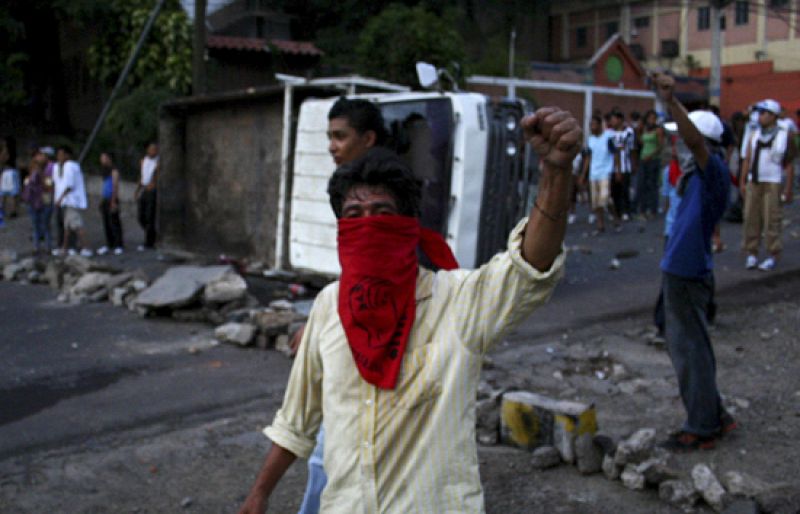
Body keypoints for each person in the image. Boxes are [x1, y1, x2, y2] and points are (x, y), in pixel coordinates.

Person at [238, 106, 579, 514]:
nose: (368, 225)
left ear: (407, 227)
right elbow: (297, 421)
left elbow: (530, 267)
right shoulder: (329, 307)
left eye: (382, 214)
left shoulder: (457, 301)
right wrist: (259, 494)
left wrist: (555, 173)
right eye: (354, 216)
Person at [286, 97, 388, 514]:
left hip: (372, 346)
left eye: (340, 136)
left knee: (330, 458)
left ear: (368, 139)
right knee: (324, 458)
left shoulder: (385, 194)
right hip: (348, 334)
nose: (331, 145)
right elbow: (352, 276)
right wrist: (318, 322)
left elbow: (381, 280)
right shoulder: (347, 190)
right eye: (329, 136)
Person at [651, 72, 735, 451]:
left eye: (679, 140)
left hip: (687, 274)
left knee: (689, 352)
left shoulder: (711, 170)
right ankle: (715, 415)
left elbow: (695, 141)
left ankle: (702, 426)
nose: (676, 146)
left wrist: (671, 101)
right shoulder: (694, 178)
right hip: (682, 271)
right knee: (692, 346)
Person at [739, 99, 796, 271]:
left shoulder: (784, 135)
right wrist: (743, 181)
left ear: (773, 116)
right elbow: (748, 159)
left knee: (772, 219)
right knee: (751, 217)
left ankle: (773, 253)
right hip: (754, 181)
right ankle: (752, 252)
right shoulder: (754, 134)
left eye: (764, 113)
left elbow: (789, 164)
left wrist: (788, 188)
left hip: (773, 181)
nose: (760, 117)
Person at [53, 145, 92, 257]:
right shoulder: (65, 166)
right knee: (68, 227)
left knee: (76, 225)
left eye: (61, 154)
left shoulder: (70, 166)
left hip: (72, 201)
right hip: (69, 201)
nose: (59, 157)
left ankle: (86, 247)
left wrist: (60, 198)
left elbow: (69, 185)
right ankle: (64, 248)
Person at [581, 115, 615, 233]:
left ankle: (615, 217)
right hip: (593, 174)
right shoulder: (591, 140)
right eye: (591, 125)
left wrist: (617, 170)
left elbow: (614, 154)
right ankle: (601, 225)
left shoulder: (608, 137)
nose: (592, 127)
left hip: (605, 172)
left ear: (600, 125)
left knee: (604, 199)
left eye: (594, 125)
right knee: (596, 202)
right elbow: (588, 158)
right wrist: (583, 175)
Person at [21, 152, 53, 254]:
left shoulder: (46, 174)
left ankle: (47, 247)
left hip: (43, 201)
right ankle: (36, 247)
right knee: (35, 225)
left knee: (45, 225)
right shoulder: (30, 176)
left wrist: (41, 176)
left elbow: (49, 186)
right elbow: (26, 186)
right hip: (33, 202)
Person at [635, 110, 665, 218]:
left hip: (653, 159)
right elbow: (642, 142)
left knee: (652, 185)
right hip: (643, 158)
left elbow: (661, 146)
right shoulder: (645, 129)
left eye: (653, 118)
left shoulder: (658, 130)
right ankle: (643, 208)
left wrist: (651, 155)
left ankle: (653, 209)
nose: (651, 120)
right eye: (650, 118)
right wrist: (638, 132)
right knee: (642, 184)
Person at [609, 110, 635, 226]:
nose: (612, 122)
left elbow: (626, 146)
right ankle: (618, 212)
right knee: (615, 192)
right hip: (612, 167)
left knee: (625, 190)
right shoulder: (610, 133)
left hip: (625, 167)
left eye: (614, 119)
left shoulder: (628, 132)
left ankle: (627, 211)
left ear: (619, 120)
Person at [97, 152, 124, 255]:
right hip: (105, 199)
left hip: (112, 199)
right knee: (106, 222)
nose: (102, 160)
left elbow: (115, 186)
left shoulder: (114, 171)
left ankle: (118, 244)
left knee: (114, 222)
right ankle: (110, 243)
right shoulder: (105, 172)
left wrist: (113, 201)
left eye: (104, 158)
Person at [135, 142, 159, 250]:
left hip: (152, 189)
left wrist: (154, 184)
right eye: (151, 149)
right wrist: (137, 190)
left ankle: (149, 242)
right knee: (141, 216)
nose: (153, 151)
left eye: (155, 149)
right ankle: (152, 235)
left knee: (150, 216)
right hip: (144, 188)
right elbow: (142, 176)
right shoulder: (143, 161)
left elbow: (157, 176)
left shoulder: (158, 162)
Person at [0, 137, 21, 224]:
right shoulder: (7, 151)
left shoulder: (6, 150)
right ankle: (13, 211)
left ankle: (4, 209)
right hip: (10, 171)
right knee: (12, 193)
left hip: (7, 171)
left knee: (4, 193)